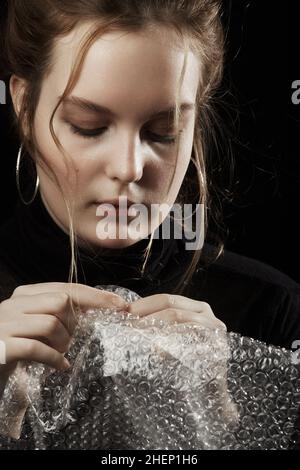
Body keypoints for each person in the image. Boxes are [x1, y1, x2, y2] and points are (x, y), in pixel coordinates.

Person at [0, 0, 299, 411]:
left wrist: (221, 419)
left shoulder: (271, 312)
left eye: (163, 132)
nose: (129, 168)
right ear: (23, 106)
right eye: (89, 127)